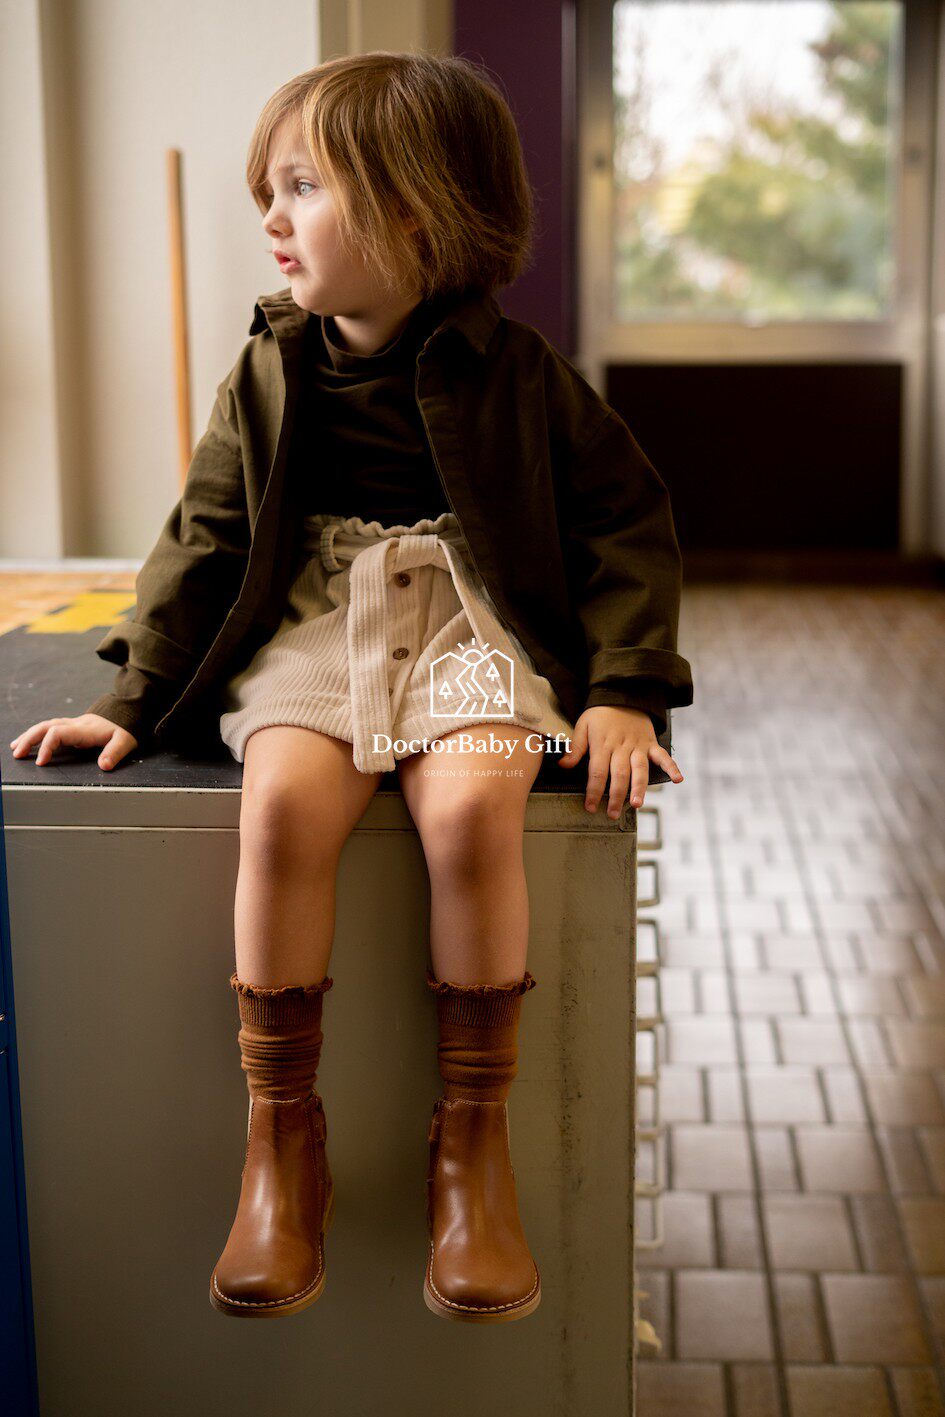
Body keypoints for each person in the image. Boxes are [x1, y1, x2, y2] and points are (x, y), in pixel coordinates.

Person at [9, 51, 693, 1323]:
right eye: (268, 190)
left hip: (472, 624)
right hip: (320, 623)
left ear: (420, 211)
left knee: (474, 809)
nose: (272, 217)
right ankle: (282, 1140)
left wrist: (624, 688)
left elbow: (627, 523)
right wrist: (131, 696)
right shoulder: (270, 369)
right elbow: (205, 538)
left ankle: (472, 1147)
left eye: (305, 187)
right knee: (281, 808)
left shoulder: (520, 372)